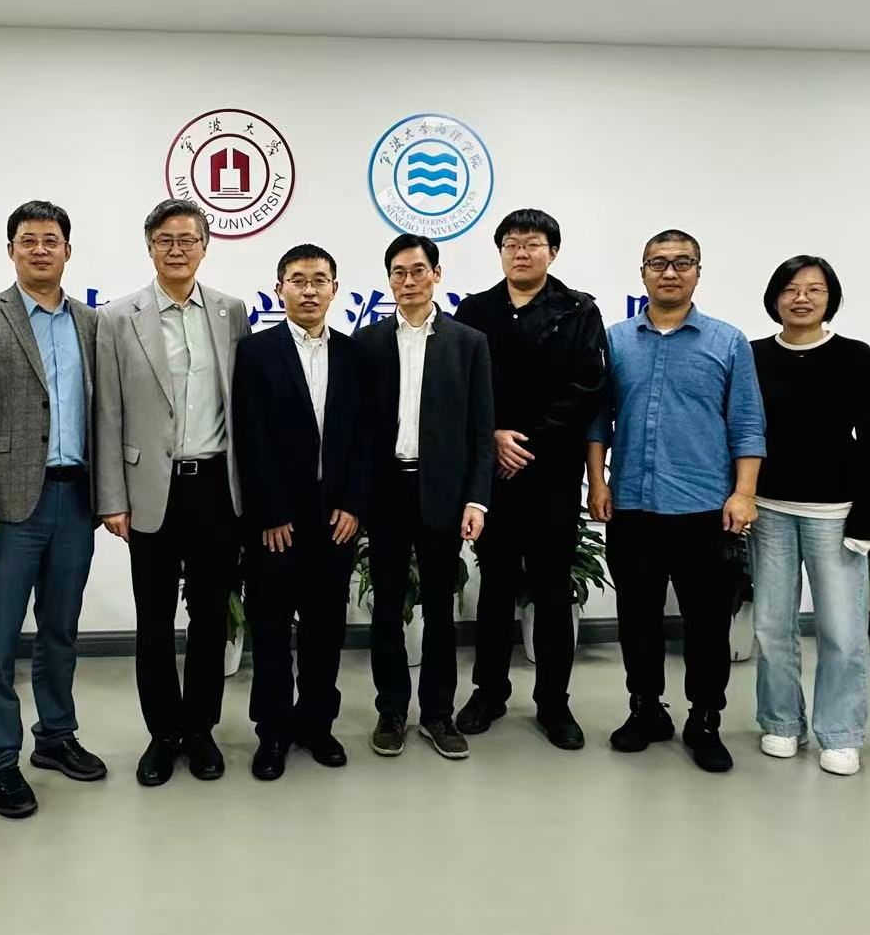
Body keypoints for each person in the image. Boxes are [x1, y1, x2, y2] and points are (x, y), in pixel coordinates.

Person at [589, 229, 764, 774]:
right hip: (633, 504)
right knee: (636, 618)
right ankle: (646, 709)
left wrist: (744, 493)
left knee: (707, 623)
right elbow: (598, 420)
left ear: (697, 272)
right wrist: (597, 482)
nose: (669, 272)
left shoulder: (727, 341)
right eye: (658, 263)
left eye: (682, 262)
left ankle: (705, 719)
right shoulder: (616, 340)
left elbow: (747, 423)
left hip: (703, 507)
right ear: (642, 272)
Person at [0, 200, 104, 819]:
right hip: (9, 504)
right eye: (28, 240)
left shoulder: (92, 322)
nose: (40, 249)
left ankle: (56, 736)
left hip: (76, 497)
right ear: (11, 250)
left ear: (68, 250)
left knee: (61, 629)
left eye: (51, 240)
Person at [95, 199, 250, 787]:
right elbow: (107, 411)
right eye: (165, 239)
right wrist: (112, 497)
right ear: (150, 247)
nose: (177, 249)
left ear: (205, 246)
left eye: (188, 239)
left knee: (210, 617)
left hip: (215, 486)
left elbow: (242, 405)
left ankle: (201, 730)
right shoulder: (118, 318)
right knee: (154, 619)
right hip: (149, 490)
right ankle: (163, 734)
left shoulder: (231, 312)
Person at [453, 208, 608, 750]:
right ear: (500, 252)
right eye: (511, 244)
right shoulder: (475, 311)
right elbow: (461, 386)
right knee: (494, 586)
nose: (521, 252)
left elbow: (588, 387)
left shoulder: (578, 310)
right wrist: (494, 435)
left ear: (552, 252)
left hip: (551, 473)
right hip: (492, 473)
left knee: (551, 587)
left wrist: (528, 443)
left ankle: (553, 703)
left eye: (533, 243)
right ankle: (489, 692)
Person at [232, 244, 372, 780]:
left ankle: (317, 724)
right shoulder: (255, 352)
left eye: (319, 280)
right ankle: (272, 732)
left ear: (334, 288)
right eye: (297, 279)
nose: (309, 290)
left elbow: (363, 439)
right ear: (279, 288)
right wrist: (269, 512)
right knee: (270, 629)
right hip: (277, 523)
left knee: (325, 628)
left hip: (335, 519)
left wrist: (354, 504)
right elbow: (250, 436)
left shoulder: (355, 355)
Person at [354, 234, 493, 760]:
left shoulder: (468, 343)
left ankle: (437, 714)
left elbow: (482, 430)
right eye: (398, 272)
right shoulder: (366, 343)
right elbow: (354, 431)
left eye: (418, 271)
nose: (408, 281)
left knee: (439, 607)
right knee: (387, 607)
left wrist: (476, 500)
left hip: (443, 492)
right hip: (386, 491)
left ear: (437, 274)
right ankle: (391, 711)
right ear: (389, 279)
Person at [747, 256, 870, 776]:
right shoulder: (754, 355)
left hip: (835, 511)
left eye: (814, 289)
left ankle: (841, 732)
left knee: (843, 631)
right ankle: (781, 722)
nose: (801, 298)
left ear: (831, 298)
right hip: (769, 509)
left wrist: (867, 512)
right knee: (771, 626)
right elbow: (740, 430)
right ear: (775, 297)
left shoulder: (854, 355)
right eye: (790, 289)